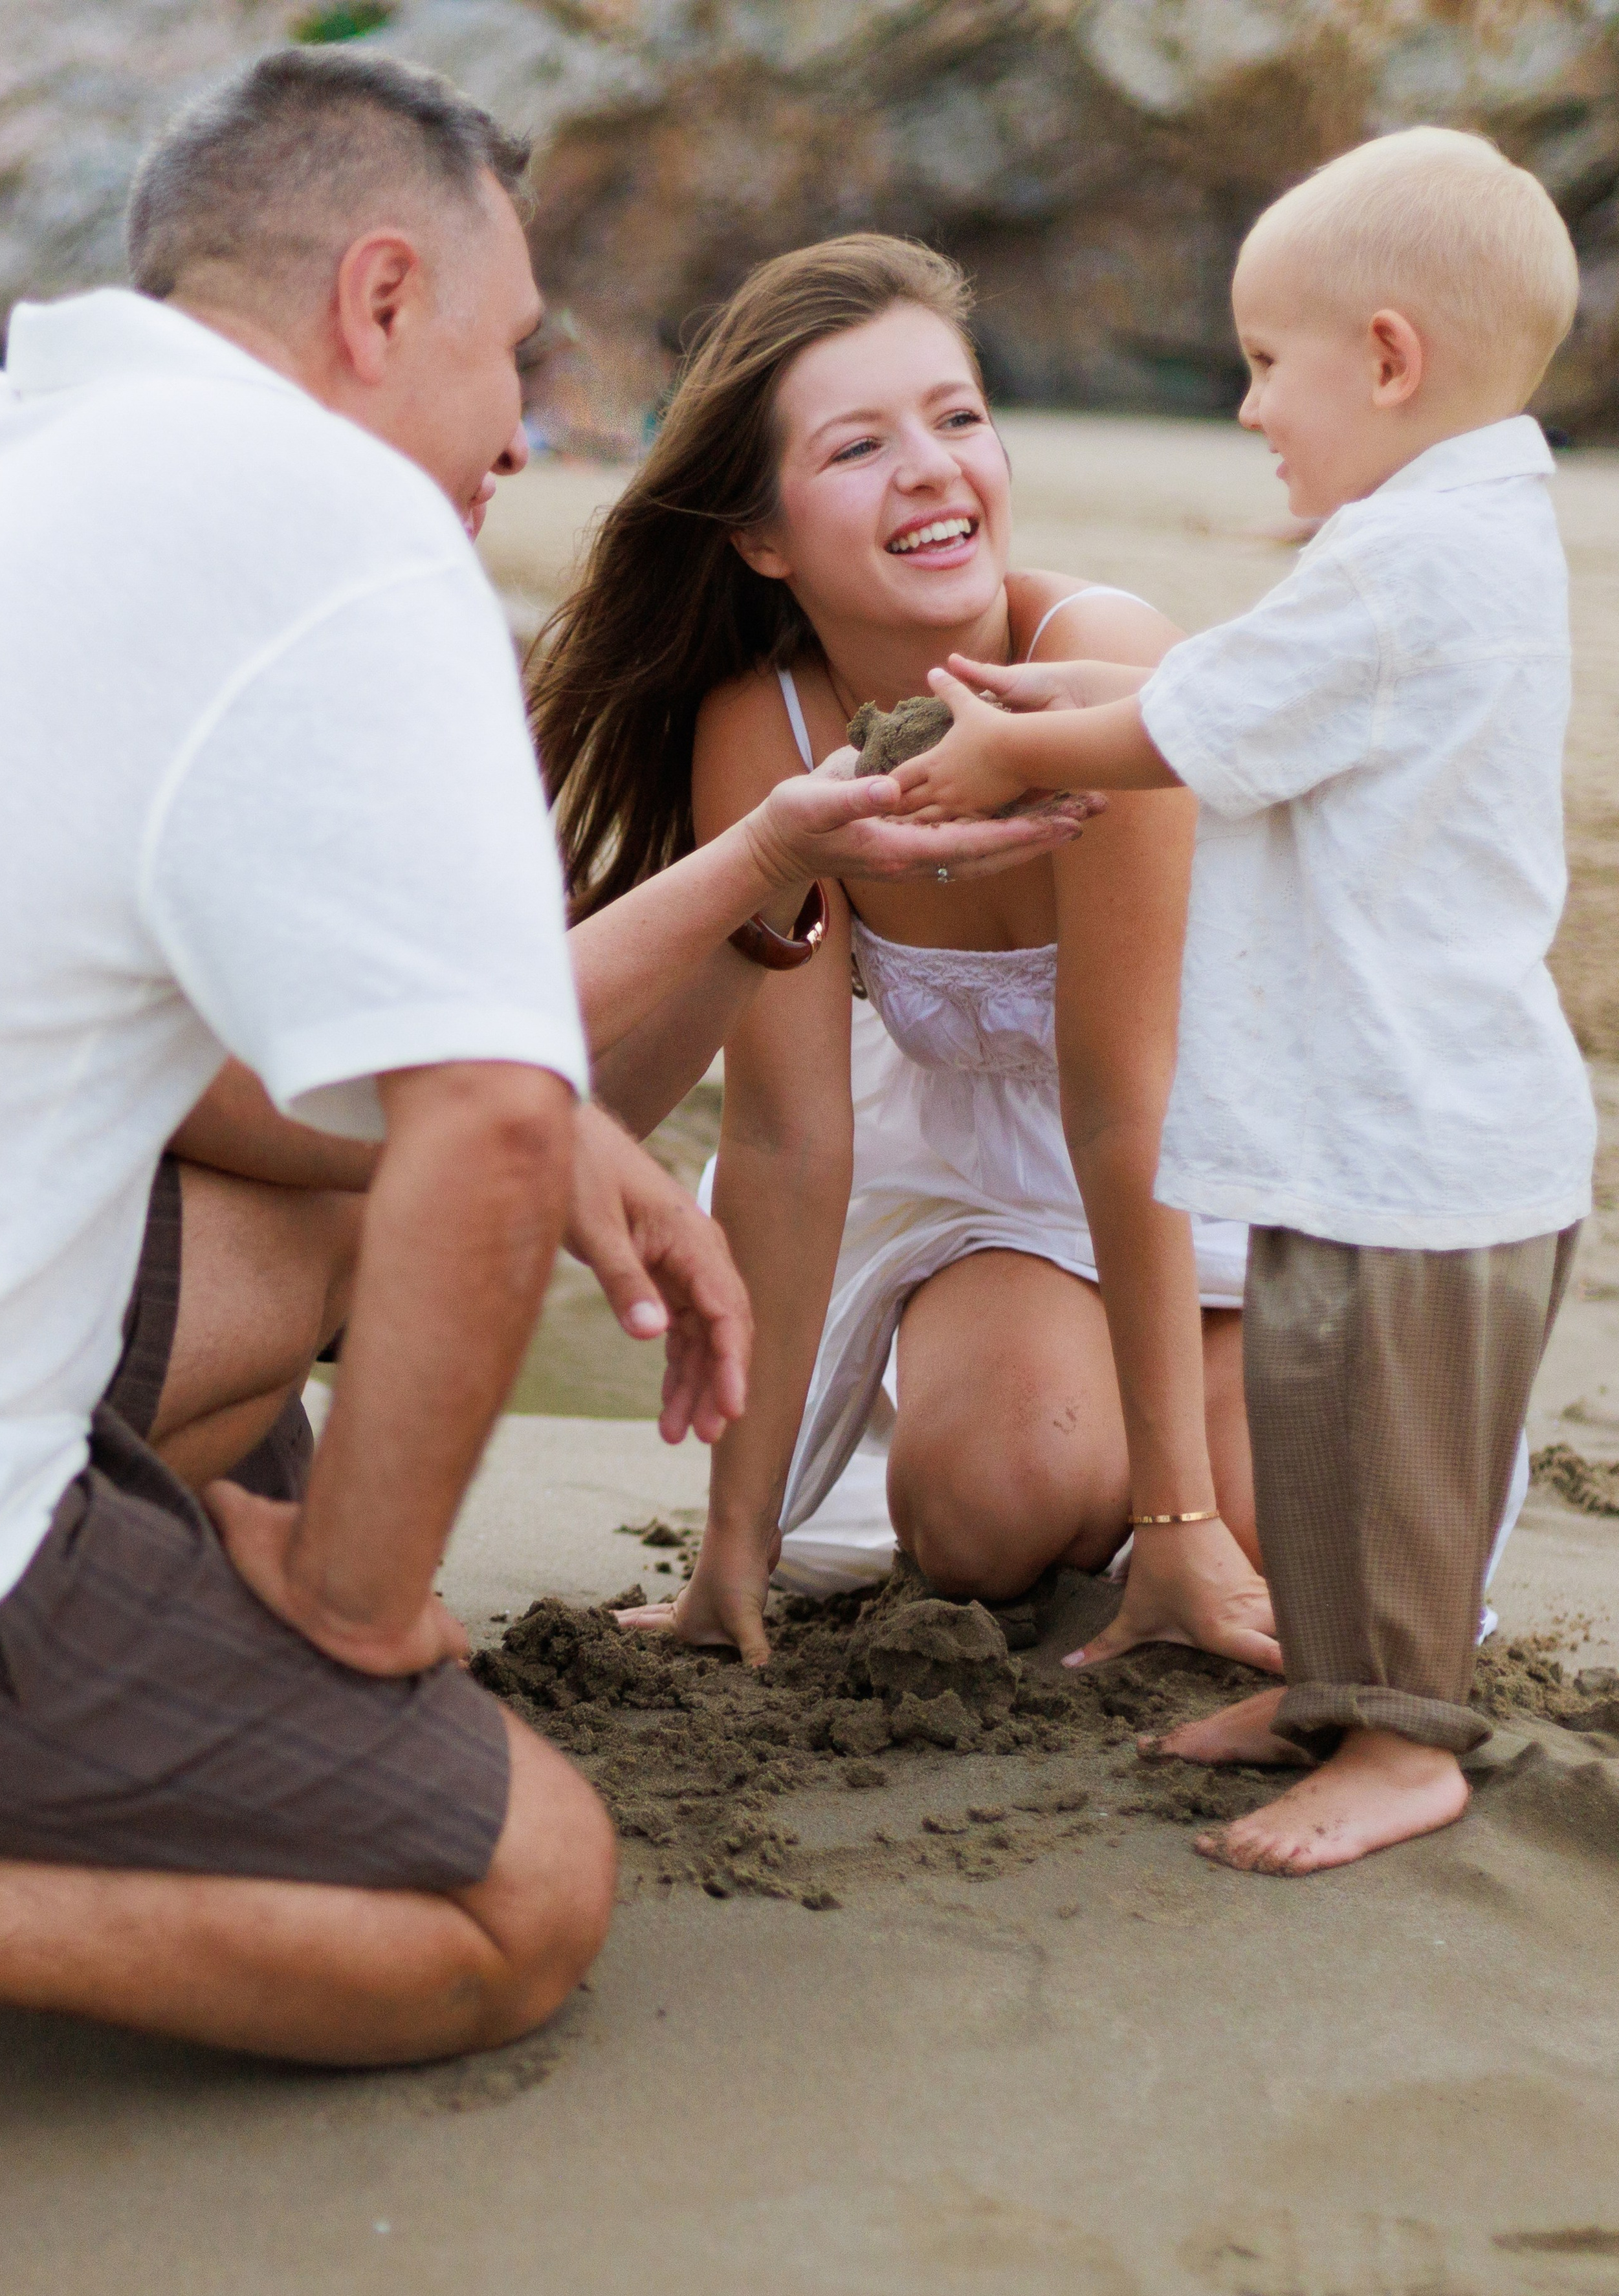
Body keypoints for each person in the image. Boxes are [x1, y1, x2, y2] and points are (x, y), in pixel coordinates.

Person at [0, 50, 1077, 2068]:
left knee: (281, 1335)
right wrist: (364, 1608)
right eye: (514, 356)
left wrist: (565, 1094)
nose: (531, 425)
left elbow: (262, 1092)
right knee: (517, 1891)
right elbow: (459, 1136)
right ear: (379, 301)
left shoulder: (5, 455)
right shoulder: (352, 543)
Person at [888, 128, 1595, 1873]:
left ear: (1388, 359)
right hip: (1370, 1121)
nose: (1248, 407)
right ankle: (1322, 1688)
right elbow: (1250, 687)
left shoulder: (1407, 561)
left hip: (1418, 1134)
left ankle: (1403, 1739)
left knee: (1383, 1456)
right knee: (1314, 1415)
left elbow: (1187, 729)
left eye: (1267, 364)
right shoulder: (1454, 534)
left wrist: (1012, 744)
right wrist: (1058, 691)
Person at [527, 235, 1279, 1673]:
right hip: (980, 1192)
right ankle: (1101, 1428)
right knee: (984, 1514)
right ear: (760, 534)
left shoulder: (1099, 662)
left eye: (956, 417)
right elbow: (790, 1143)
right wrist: (727, 1558)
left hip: (1224, 1170)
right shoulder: (772, 735)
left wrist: (1182, 1517)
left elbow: (1130, 1105)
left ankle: (1188, 1441)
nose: (932, 468)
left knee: (1278, 1545)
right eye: (859, 445)